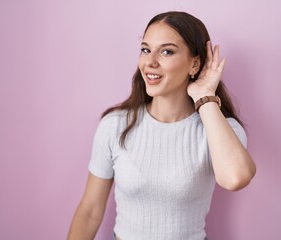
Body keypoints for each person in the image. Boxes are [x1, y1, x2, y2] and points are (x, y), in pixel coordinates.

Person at [67, 11, 256, 240]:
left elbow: (235, 178)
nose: (150, 62)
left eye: (166, 51)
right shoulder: (114, 126)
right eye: (146, 49)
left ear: (194, 64)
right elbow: (89, 211)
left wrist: (204, 96)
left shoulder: (219, 129)